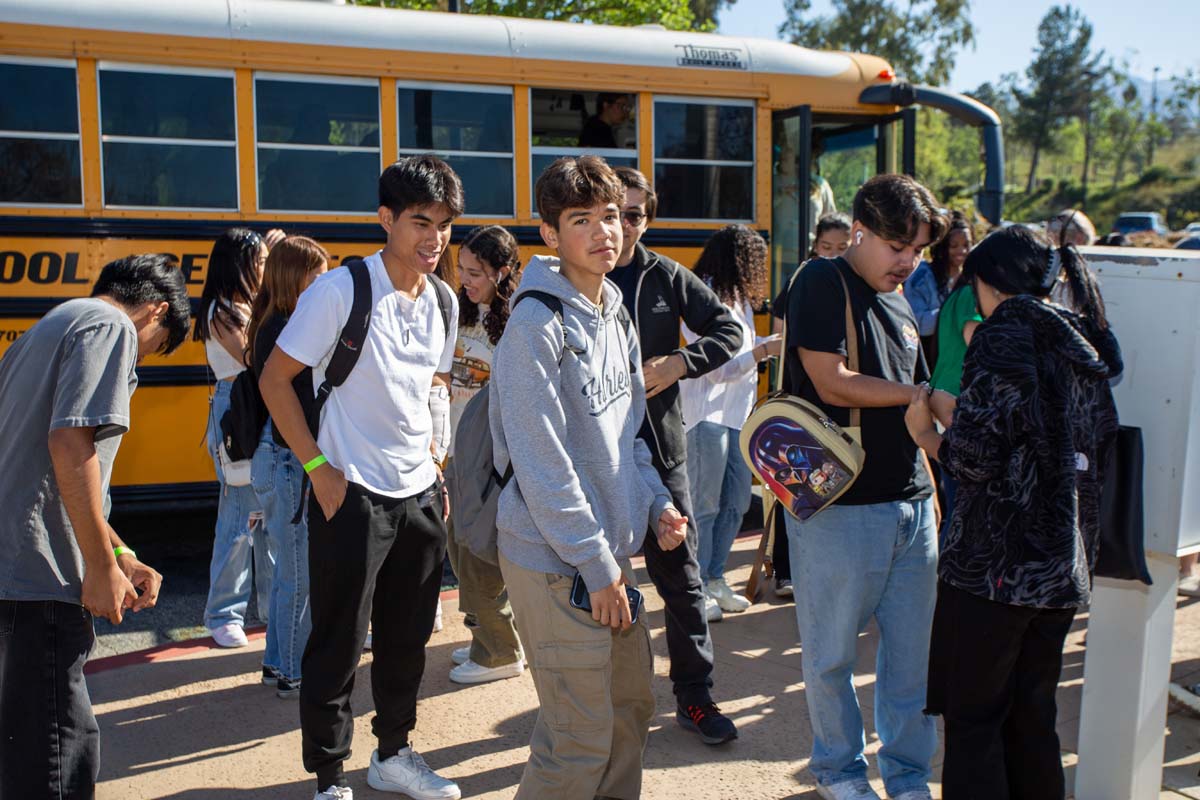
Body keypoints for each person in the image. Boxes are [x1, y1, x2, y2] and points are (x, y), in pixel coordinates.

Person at [259, 155, 463, 800]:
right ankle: (329, 777)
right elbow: (274, 380)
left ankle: (394, 755)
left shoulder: (444, 300)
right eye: (420, 222)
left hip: (420, 492)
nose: (434, 239)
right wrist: (319, 469)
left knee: (410, 638)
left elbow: (431, 385)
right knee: (338, 642)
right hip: (350, 491)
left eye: (446, 226)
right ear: (386, 220)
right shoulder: (340, 291)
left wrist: (437, 462)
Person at [490, 155, 687, 798]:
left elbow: (627, 435)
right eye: (583, 220)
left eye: (612, 216)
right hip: (555, 559)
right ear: (550, 235)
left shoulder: (615, 311)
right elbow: (543, 464)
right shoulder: (533, 327)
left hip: (605, 554)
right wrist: (597, 566)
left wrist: (655, 502)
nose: (606, 231)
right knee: (577, 740)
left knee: (631, 713)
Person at [906, 225, 1120, 800]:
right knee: (1033, 718)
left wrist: (928, 432)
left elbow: (976, 458)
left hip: (994, 568)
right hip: (1060, 565)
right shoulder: (1079, 340)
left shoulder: (1005, 335)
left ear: (989, 281)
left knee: (976, 723)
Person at [782, 174, 950, 800]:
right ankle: (840, 773)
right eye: (897, 245)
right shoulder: (821, 281)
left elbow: (922, 408)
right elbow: (830, 381)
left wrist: (934, 485)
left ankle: (907, 778)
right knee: (830, 659)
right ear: (859, 230)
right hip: (838, 507)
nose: (907, 261)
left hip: (910, 508)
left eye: (918, 249)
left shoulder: (903, 303)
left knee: (910, 664)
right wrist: (914, 395)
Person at [0, 254, 189, 799]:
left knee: (27, 747)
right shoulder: (110, 326)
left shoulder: (46, 330)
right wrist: (100, 569)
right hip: (44, 575)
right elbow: (70, 443)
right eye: (155, 348)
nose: (141, 361)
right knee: (57, 757)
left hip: (15, 570)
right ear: (156, 310)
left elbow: (47, 466)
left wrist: (120, 552)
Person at [611, 165, 744, 743]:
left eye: (636, 214)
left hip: (663, 453)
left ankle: (696, 697)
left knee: (683, 582)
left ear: (649, 218)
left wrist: (677, 364)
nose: (623, 226)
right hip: (591, 461)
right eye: (616, 212)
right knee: (595, 585)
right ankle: (601, 706)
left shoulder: (666, 276)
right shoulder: (567, 280)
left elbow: (728, 332)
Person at [245, 236, 330, 698]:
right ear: (292, 276)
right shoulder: (286, 327)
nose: (322, 282)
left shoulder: (271, 322)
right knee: (298, 573)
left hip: (272, 457)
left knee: (285, 571)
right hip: (289, 459)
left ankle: (278, 661)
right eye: (315, 274)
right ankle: (295, 671)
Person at [681, 225, 781, 614]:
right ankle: (697, 586)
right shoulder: (702, 295)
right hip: (706, 415)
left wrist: (762, 348)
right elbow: (711, 366)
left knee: (737, 501)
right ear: (741, 259)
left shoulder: (736, 297)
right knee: (704, 505)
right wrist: (762, 351)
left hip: (737, 416)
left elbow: (737, 351)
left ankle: (715, 578)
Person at [444, 224, 526, 685]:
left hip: (488, 463)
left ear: (503, 272)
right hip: (456, 455)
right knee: (459, 553)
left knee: (479, 559)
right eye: (462, 269)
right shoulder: (461, 312)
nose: (465, 278)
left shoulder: (517, 319)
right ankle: (486, 638)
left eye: (476, 272)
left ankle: (501, 652)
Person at [195, 227, 274, 649]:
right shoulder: (222, 312)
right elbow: (253, 358)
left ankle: (266, 608)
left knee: (264, 516)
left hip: (253, 406)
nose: (264, 269)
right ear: (241, 265)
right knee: (239, 517)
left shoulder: (240, 306)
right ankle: (223, 613)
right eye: (260, 262)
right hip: (238, 410)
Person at [768, 212, 853, 597]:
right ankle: (786, 570)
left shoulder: (853, 284)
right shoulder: (804, 277)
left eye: (842, 248)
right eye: (826, 248)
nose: (833, 255)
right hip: (802, 403)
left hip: (840, 406)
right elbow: (778, 331)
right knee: (798, 489)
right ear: (813, 246)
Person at [903, 210, 973, 366]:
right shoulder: (922, 276)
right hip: (927, 361)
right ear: (941, 246)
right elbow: (918, 324)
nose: (961, 251)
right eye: (953, 246)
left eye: (966, 245)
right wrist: (954, 313)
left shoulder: (972, 279)